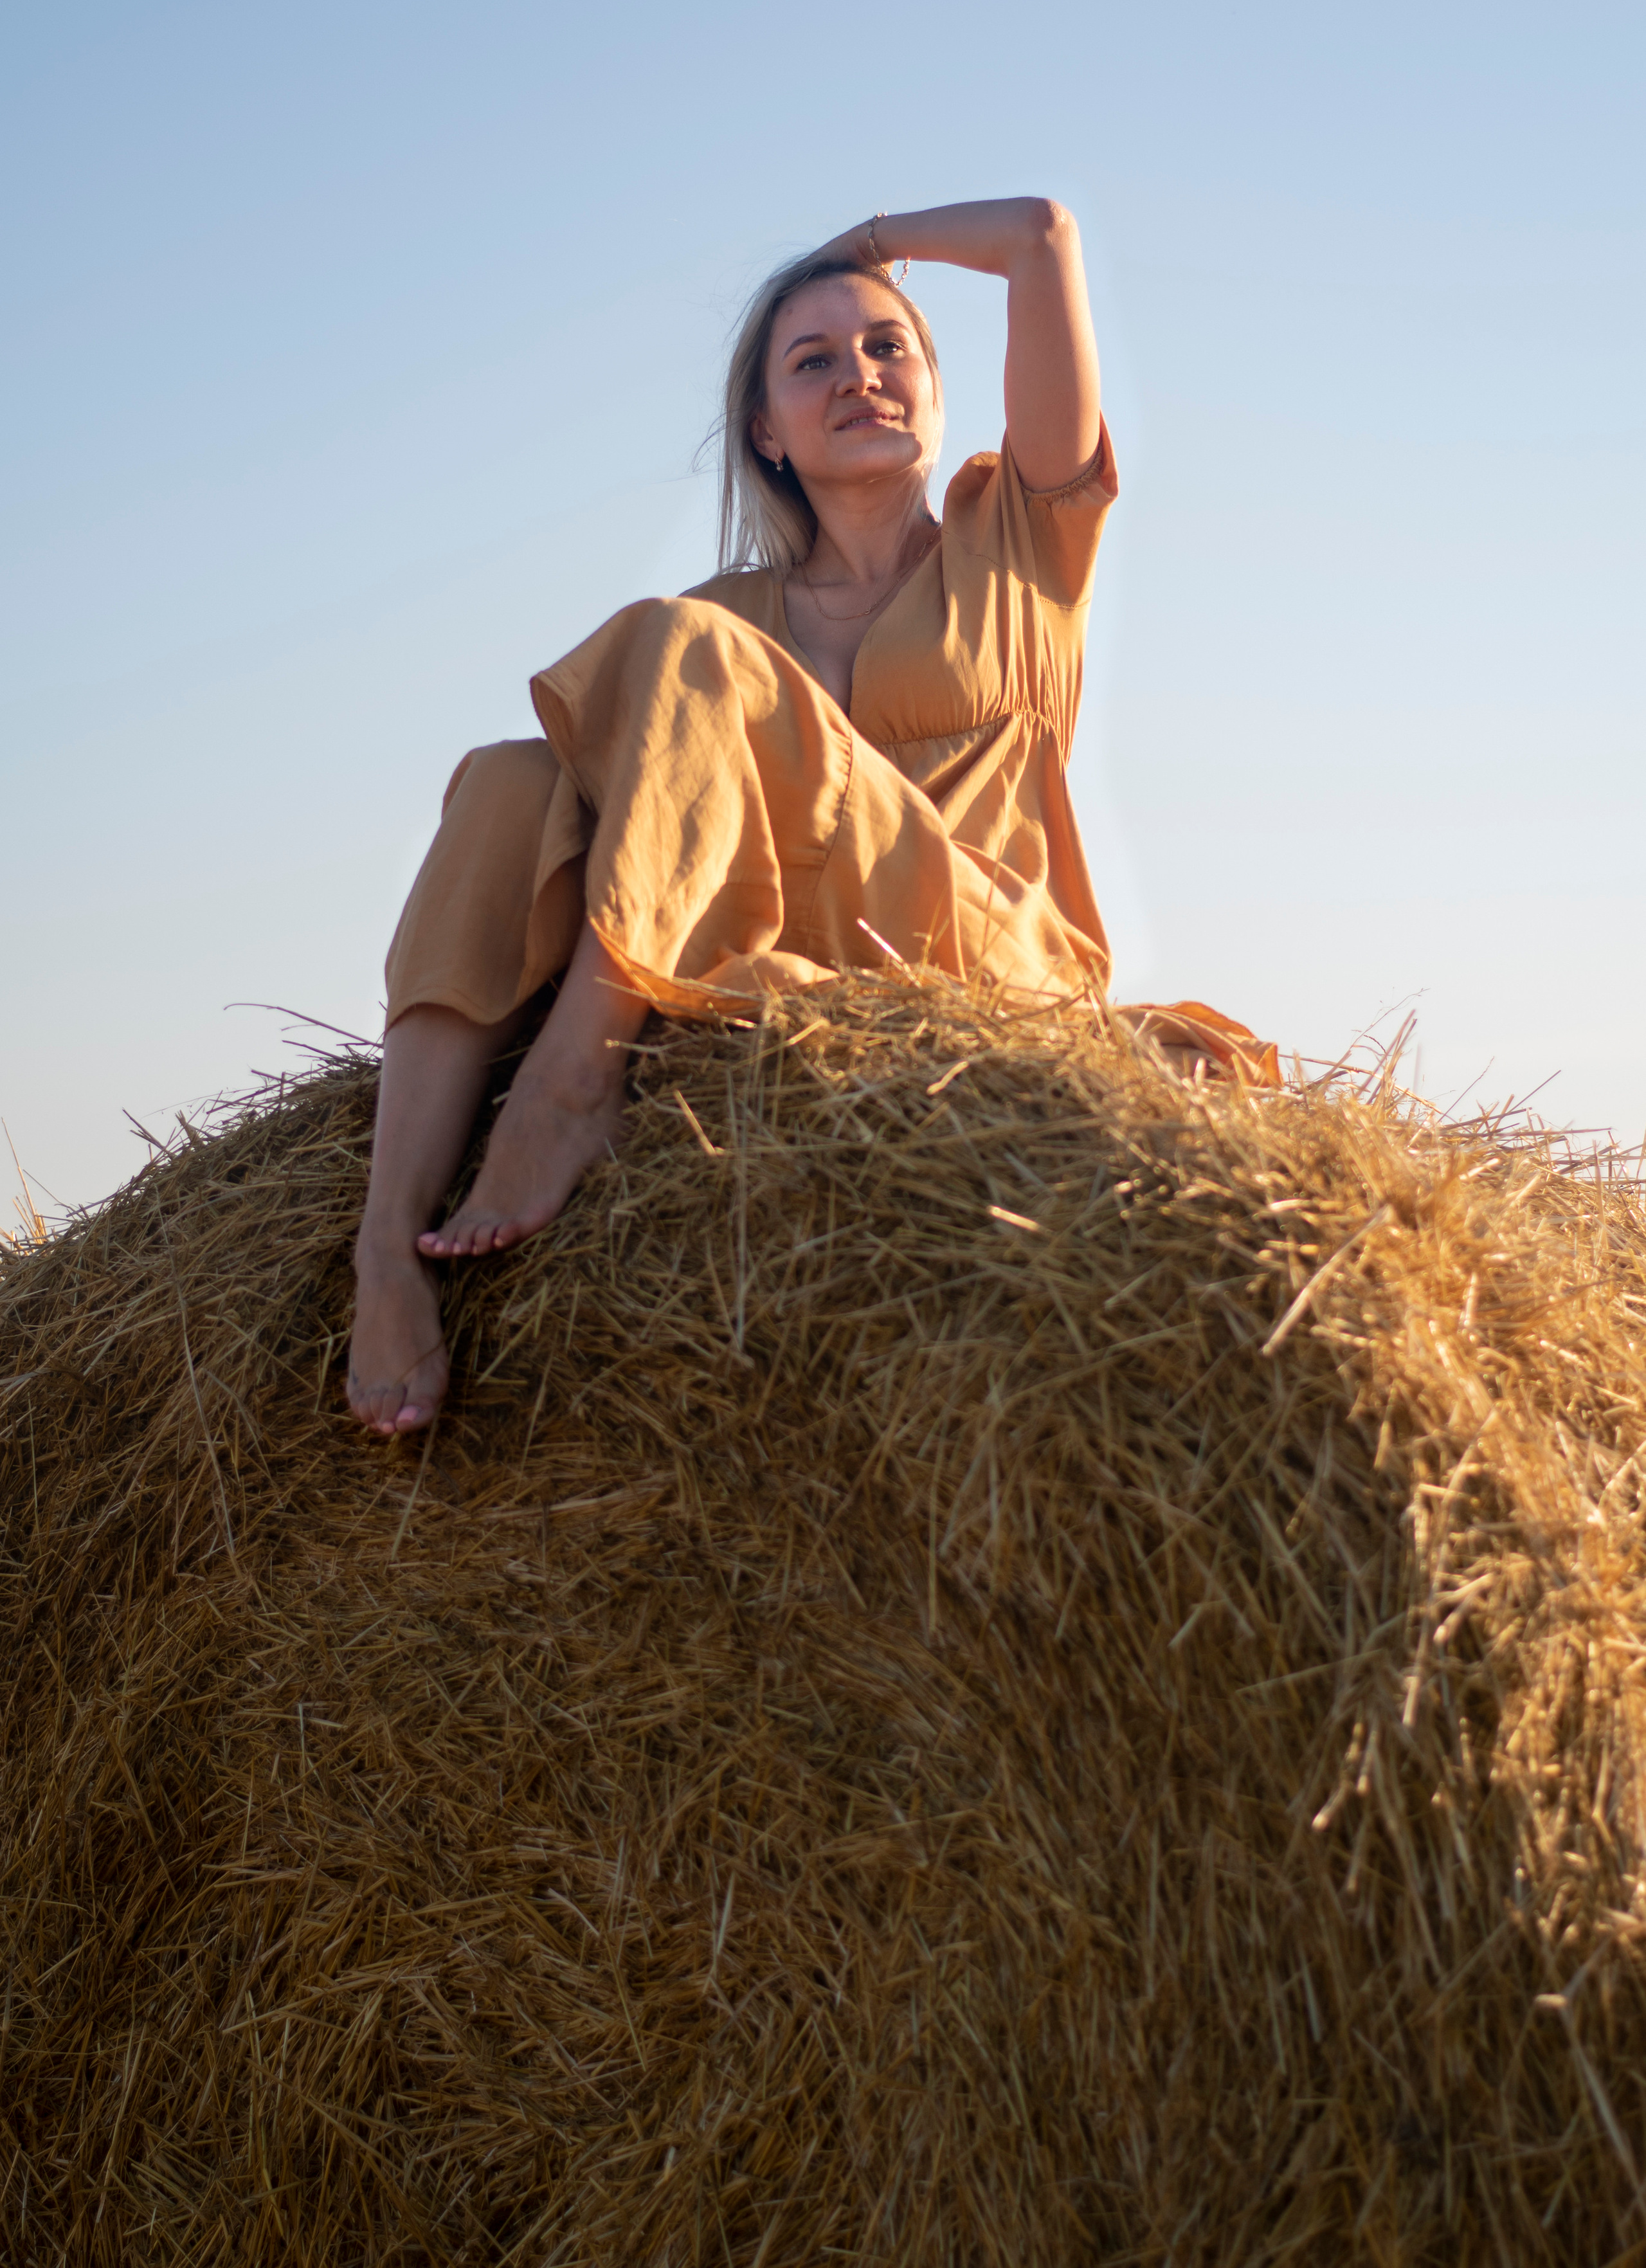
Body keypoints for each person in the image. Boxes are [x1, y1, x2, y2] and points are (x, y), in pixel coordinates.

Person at [347, 197, 1276, 1440]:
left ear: (936, 391)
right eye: (813, 361)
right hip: (792, 956)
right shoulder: (731, 614)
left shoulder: (1023, 545)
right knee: (509, 779)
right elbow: (582, 826)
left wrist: (871, 243)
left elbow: (1043, 236)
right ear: (765, 431)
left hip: (978, 961)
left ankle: (573, 1078)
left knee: (687, 649)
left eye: (889, 348)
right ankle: (384, 1247)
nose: (859, 375)